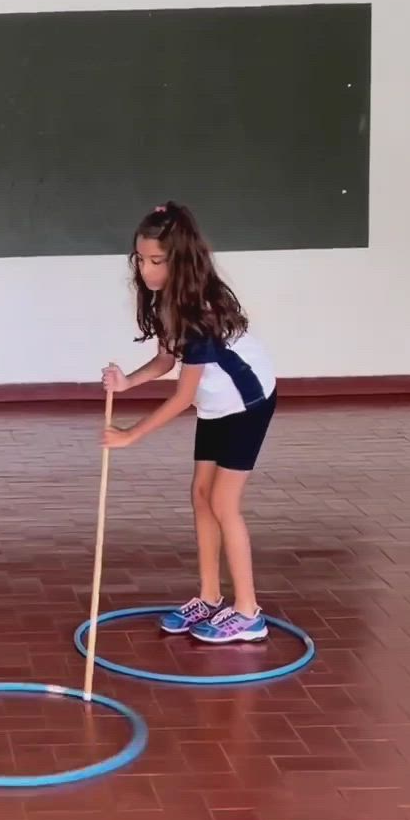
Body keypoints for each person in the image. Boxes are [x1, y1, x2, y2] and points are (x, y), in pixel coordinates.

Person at [100, 201, 276, 645]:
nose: (144, 269)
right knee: (199, 495)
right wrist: (127, 383)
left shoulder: (200, 311)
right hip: (216, 404)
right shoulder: (167, 302)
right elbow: (166, 359)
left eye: (155, 261)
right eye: (140, 259)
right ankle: (211, 597)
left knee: (222, 503)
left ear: (179, 260)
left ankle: (249, 612)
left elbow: (181, 396)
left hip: (247, 403)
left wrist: (130, 435)